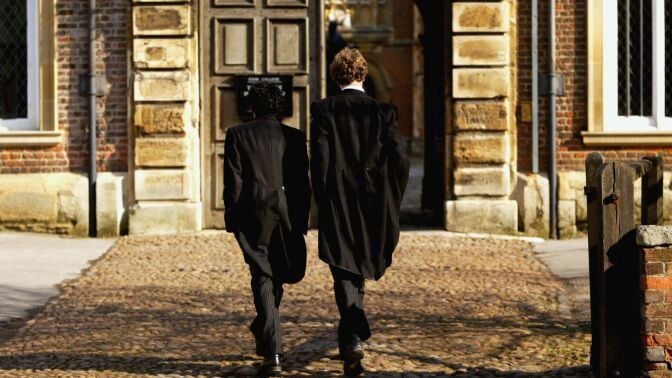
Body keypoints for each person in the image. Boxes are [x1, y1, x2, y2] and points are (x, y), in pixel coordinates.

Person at [310, 48, 410, 376]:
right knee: (356, 263)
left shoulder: (323, 110)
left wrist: (321, 197)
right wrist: (390, 194)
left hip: (338, 197)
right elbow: (400, 159)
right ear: (363, 75)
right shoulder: (384, 112)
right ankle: (351, 334)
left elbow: (321, 159)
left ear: (336, 76)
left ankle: (352, 335)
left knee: (343, 265)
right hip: (372, 199)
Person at [224, 82, 311, 375]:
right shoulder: (296, 138)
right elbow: (302, 184)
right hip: (287, 210)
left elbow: (232, 182)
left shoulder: (237, 134)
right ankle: (268, 333)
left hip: (253, 212)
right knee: (273, 275)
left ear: (253, 106)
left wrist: (232, 219)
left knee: (264, 275)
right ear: (280, 106)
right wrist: (302, 219)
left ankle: (271, 349)